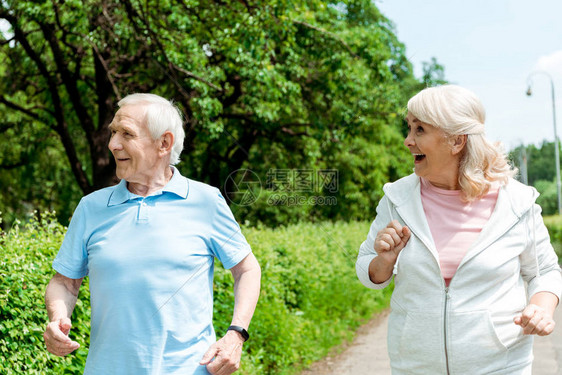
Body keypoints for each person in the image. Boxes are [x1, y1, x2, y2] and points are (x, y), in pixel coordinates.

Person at [43, 93, 261, 375]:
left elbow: (247, 269)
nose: (113, 144)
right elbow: (65, 283)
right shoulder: (91, 207)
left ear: (164, 143)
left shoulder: (206, 201)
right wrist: (57, 319)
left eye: (126, 134)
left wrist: (236, 334)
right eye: (112, 132)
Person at [356, 85, 562, 374]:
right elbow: (368, 269)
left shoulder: (516, 202)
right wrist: (384, 261)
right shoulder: (397, 199)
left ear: (456, 141)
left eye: (419, 130)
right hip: (415, 366)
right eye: (409, 128)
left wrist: (541, 307)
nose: (407, 141)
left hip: (501, 365)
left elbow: (545, 272)